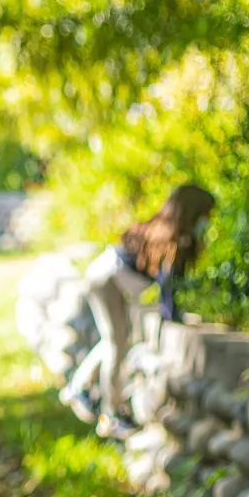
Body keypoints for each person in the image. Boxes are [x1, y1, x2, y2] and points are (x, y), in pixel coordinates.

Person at [60, 184, 216, 439]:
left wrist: (173, 314)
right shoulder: (171, 236)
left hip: (110, 279)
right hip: (106, 279)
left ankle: (79, 387)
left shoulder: (172, 233)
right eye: (205, 215)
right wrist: (172, 316)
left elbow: (170, 283)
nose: (207, 222)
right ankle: (110, 413)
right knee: (116, 344)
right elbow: (167, 282)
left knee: (116, 340)